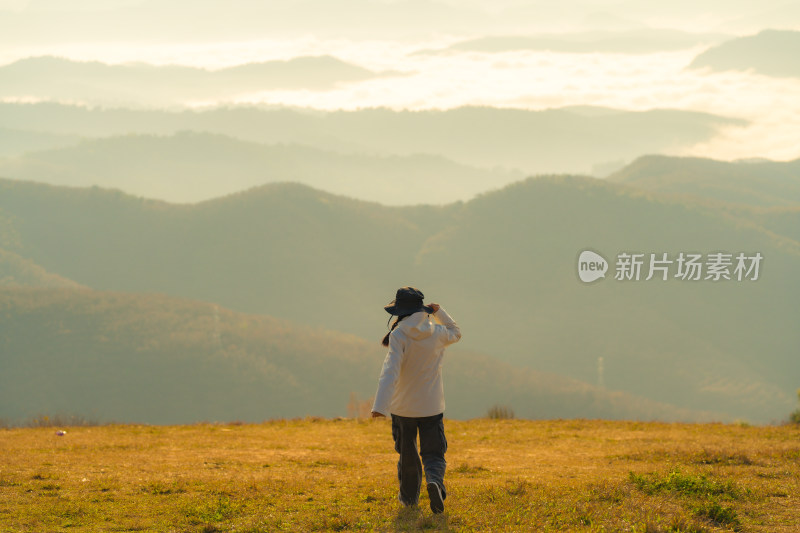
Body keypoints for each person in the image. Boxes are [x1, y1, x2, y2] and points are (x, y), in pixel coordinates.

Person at [371, 286, 462, 514]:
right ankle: (435, 483)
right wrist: (440, 312)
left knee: (407, 454)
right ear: (422, 309)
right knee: (433, 453)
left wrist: (380, 406)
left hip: (403, 409)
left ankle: (409, 499)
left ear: (400, 311)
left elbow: (390, 371)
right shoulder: (438, 332)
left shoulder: (398, 335)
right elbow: (456, 331)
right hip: (431, 406)